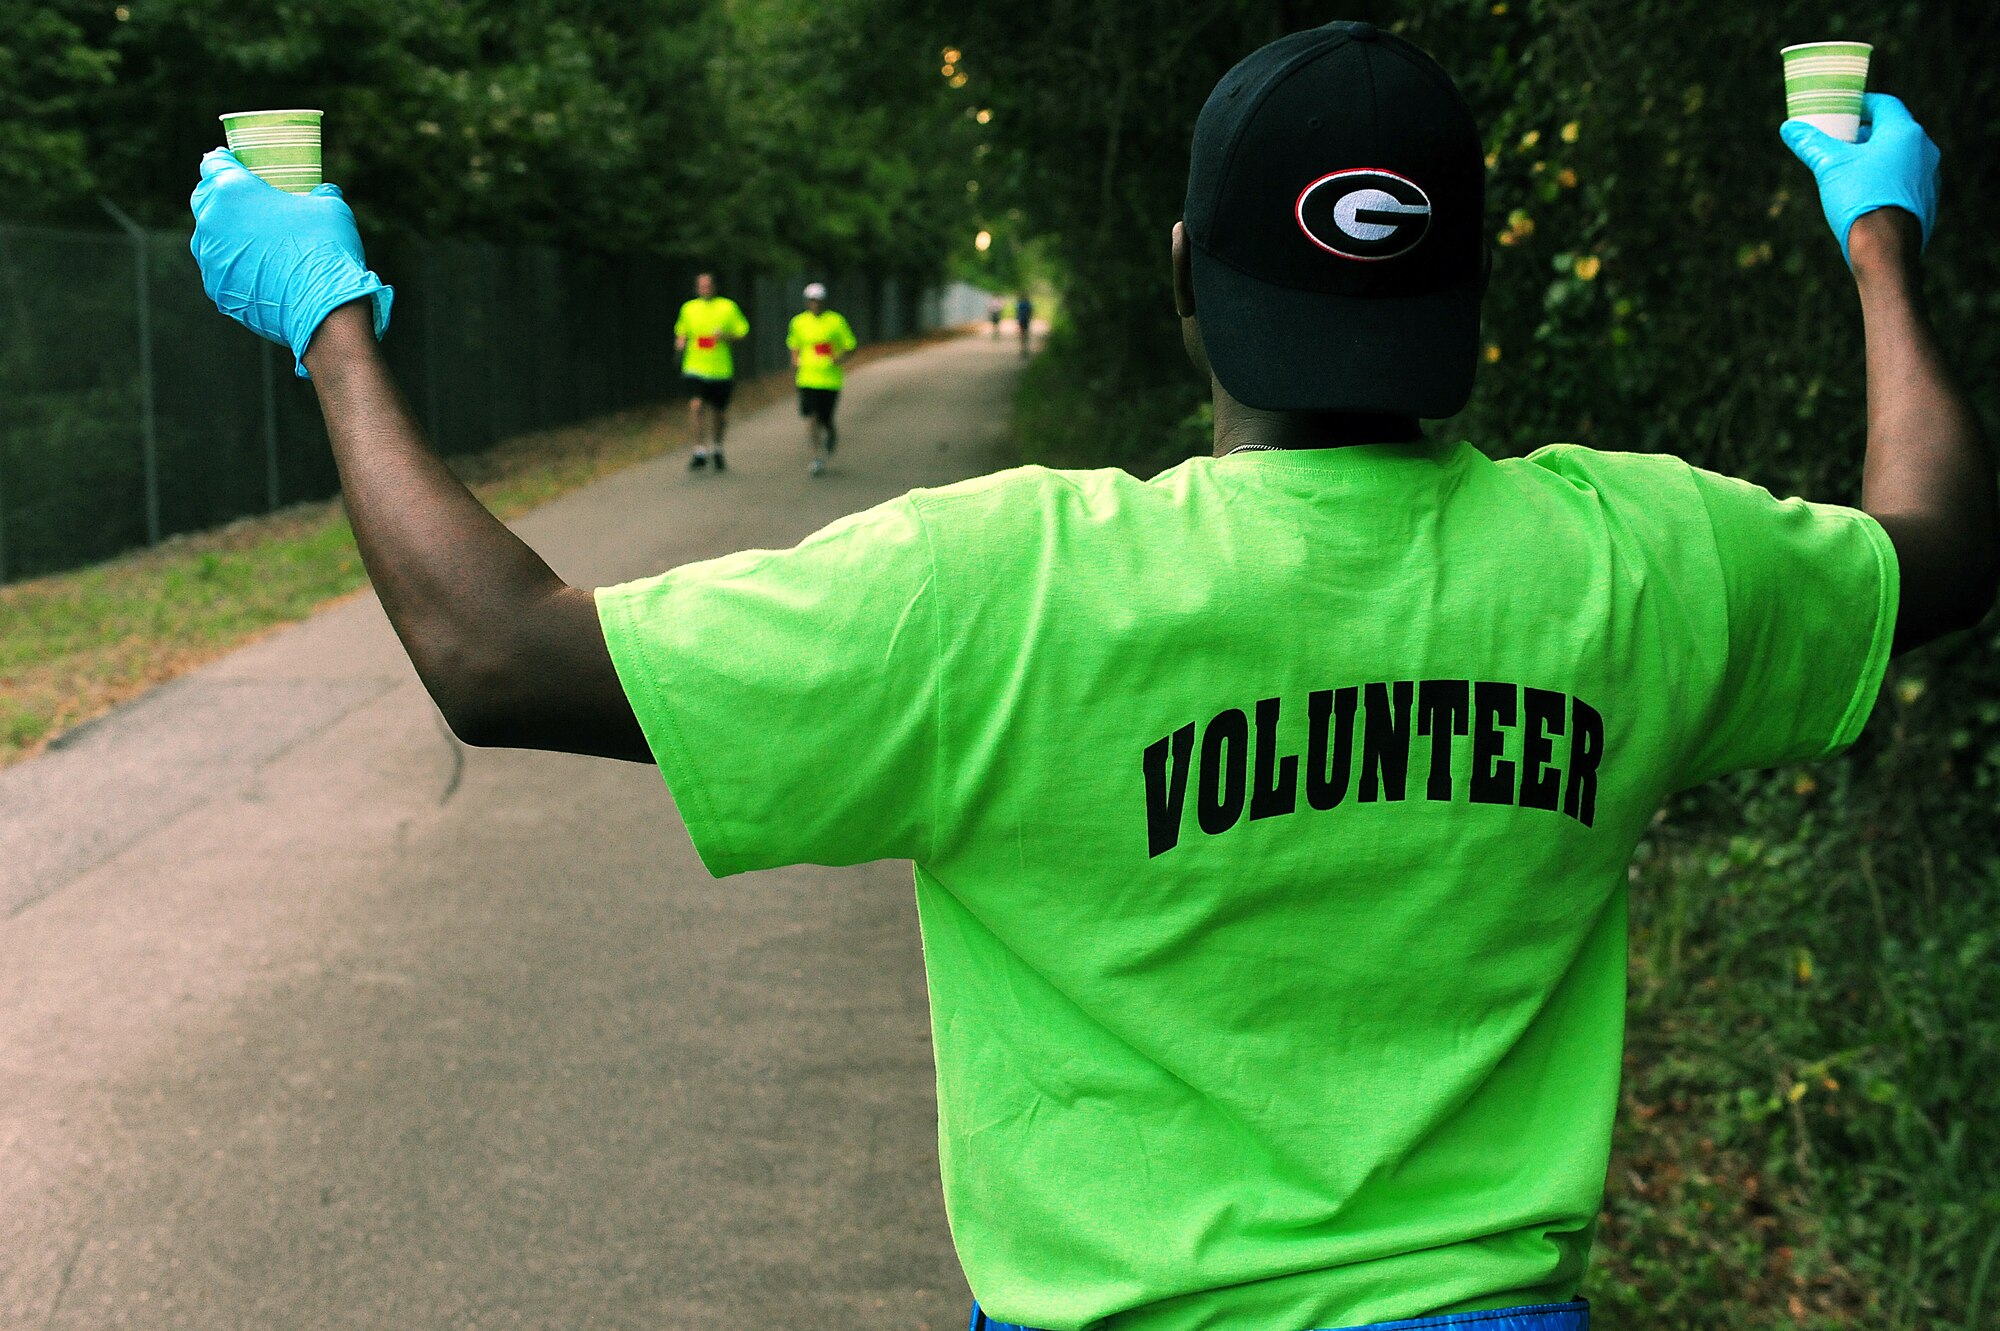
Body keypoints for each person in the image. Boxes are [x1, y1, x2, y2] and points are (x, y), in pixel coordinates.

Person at [188, 19, 1988, 1331]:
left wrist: (329, 321)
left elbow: (495, 654)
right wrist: (1875, 236)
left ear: (1189, 278)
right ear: (1469, 294)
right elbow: (1942, 555)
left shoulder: (1013, 591)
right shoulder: (1637, 565)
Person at [673, 272, 749, 472]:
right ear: (696, 288)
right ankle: (699, 449)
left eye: (708, 286)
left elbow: (743, 331)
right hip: (695, 368)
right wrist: (680, 342)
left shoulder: (727, 307)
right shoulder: (688, 308)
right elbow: (681, 330)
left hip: (720, 370)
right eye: (701, 286)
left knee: (719, 413)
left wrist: (726, 335)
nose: (704, 289)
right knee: (696, 405)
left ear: (715, 287)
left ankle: (717, 447)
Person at [787, 281, 858, 476]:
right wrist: (795, 360)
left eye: (818, 300)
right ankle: (816, 456)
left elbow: (850, 345)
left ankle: (831, 432)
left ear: (823, 301)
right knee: (812, 417)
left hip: (830, 379)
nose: (815, 304)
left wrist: (840, 357)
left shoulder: (836, 321)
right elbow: (794, 343)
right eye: (811, 300)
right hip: (807, 378)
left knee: (825, 418)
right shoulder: (798, 322)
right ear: (806, 302)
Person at [1014, 291, 1034, 356]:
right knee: (1026, 334)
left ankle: (1022, 349)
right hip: (1026, 320)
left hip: (1021, 320)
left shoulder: (1019, 304)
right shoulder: (1029, 304)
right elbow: (1031, 312)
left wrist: (1016, 320)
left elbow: (1017, 313)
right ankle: (1026, 349)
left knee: (1022, 334)